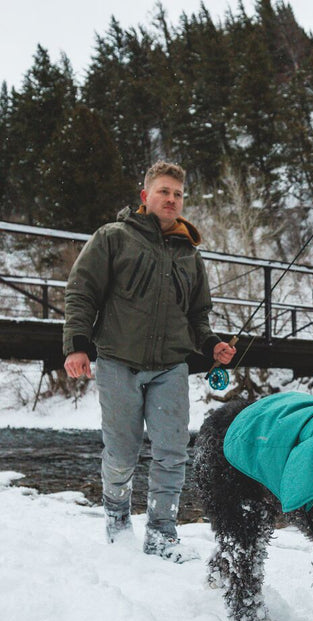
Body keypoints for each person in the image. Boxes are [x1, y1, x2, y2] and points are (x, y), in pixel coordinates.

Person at [62, 160, 237, 563]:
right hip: (117, 361)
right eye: (163, 191)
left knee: (172, 451)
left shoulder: (190, 256)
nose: (171, 199)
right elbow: (81, 292)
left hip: (171, 367)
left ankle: (162, 533)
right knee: (122, 452)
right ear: (145, 196)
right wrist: (77, 345)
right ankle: (117, 515)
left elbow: (197, 316)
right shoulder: (113, 238)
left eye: (177, 194)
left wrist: (212, 346)